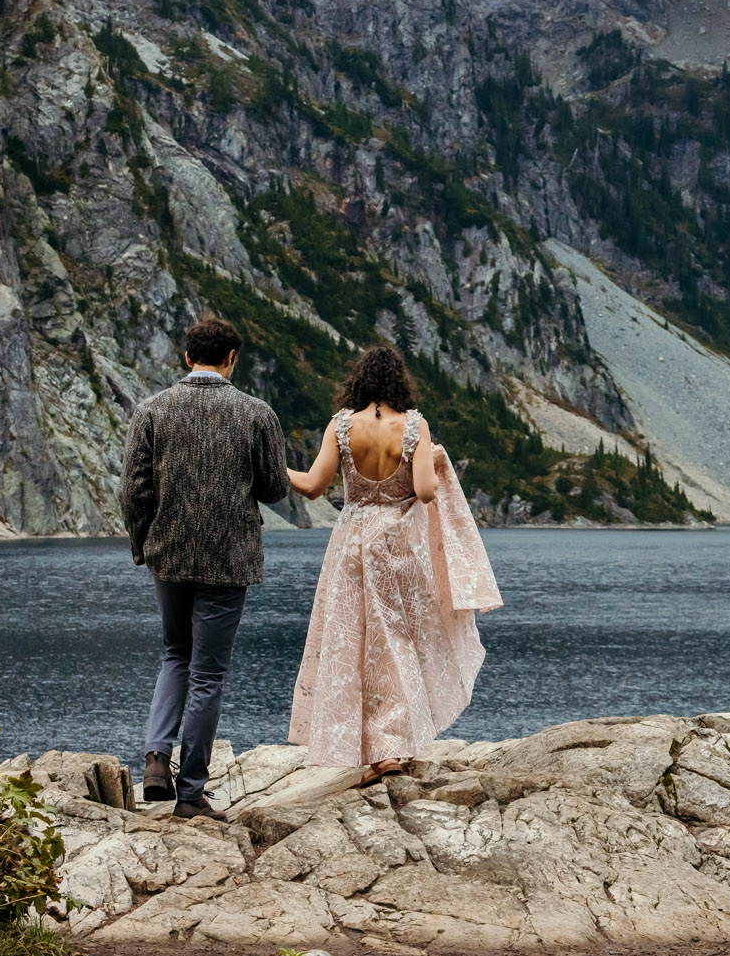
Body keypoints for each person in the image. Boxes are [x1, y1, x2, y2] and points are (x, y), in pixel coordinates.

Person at [286, 344, 502, 782]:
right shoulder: (414, 425)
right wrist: (434, 458)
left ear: (359, 382)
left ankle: (364, 750)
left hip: (351, 543)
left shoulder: (342, 426)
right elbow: (424, 491)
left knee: (354, 642)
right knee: (396, 642)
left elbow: (311, 486)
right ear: (399, 381)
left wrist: (268, 468)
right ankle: (391, 748)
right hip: (398, 547)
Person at [119, 315, 291, 819]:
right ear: (231, 359)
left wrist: (144, 545)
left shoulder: (152, 410)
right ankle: (191, 792)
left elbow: (133, 491)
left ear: (187, 357)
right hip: (227, 559)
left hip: (168, 556)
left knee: (175, 653)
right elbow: (276, 488)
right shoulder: (255, 413)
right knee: (208, 673)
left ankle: (155, 760)